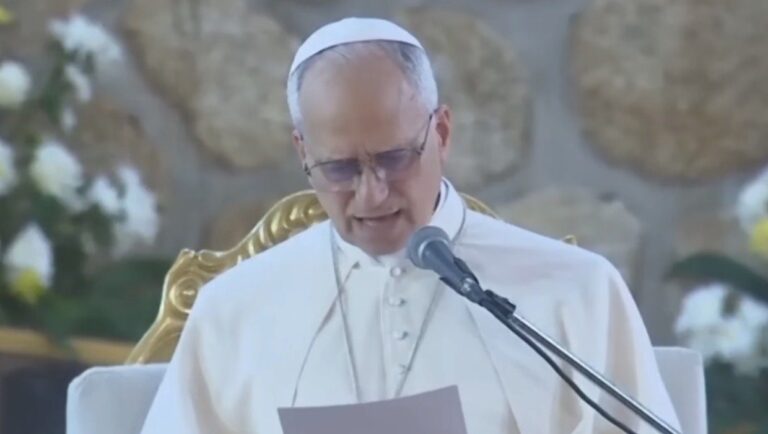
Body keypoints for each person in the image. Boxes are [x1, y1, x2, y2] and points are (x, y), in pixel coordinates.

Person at [139, 17, 681, 434]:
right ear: (302, 151)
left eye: (396, 158)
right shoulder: (233, 310)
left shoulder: (575, 290)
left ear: (441, 133)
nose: (371, 193)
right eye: (340, 169)